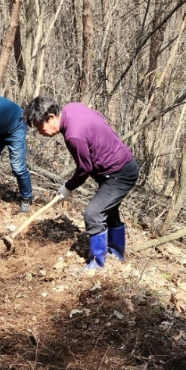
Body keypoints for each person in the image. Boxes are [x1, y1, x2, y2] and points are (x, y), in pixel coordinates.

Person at [24, 96, 138, 270]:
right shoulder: (72, 108)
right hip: (116, 167)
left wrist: (67, 187)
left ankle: (98, 264)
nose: (41, 132)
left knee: (93, 214)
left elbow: (84, 168)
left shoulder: (73, 135)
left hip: (120, 173)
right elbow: (99, 117)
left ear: (52, 117)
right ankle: (117, 253)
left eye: (41, 127)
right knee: (108, 210)